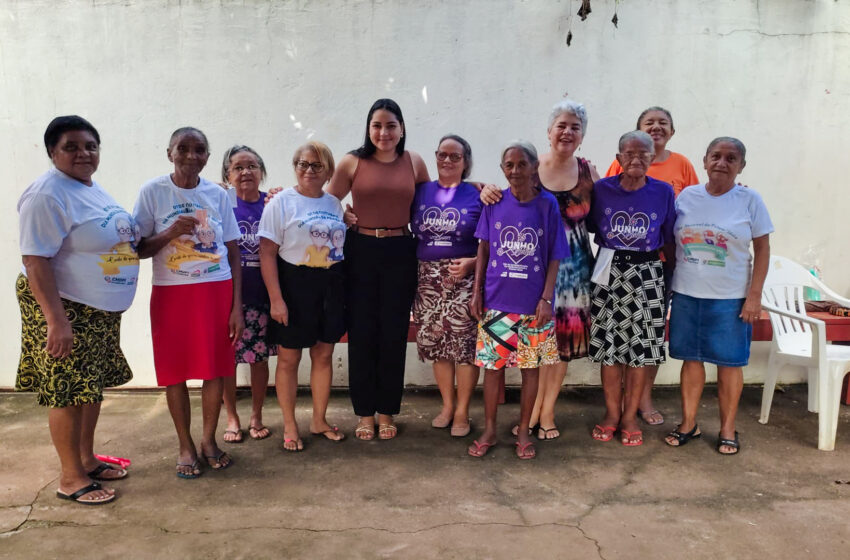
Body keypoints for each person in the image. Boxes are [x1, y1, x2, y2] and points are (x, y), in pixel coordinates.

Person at [16, 115, 138, 505]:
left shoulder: (89, 187)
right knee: (67, 391)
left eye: (90, 146)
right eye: (71, 146)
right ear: (52, 152)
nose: (83, 153)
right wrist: (56, 320)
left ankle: (85, 459)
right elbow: (35, 260)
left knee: (89, 388)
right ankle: (70, 478)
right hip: (65, 306)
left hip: (96, 309)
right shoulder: (47, 194)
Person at [134, 127, 243, 478]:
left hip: (215, 290)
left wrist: (236, 305)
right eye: (183, 149)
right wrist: (170, 232)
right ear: (170, 153)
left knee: (216, 369)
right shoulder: (153, 192)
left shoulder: (218, 194)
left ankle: (209, 441)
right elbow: (137, 249)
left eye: (199, 150)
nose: (191, 156)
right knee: (174, 372)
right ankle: (185, 445)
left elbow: (233, 251)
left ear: (208, 158)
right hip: (171, 292)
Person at [326, 99, 429, 441]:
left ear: (401, 128)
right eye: (377, 125)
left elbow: (436, 199)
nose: (383, 133)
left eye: (390, 125)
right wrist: (340, 213)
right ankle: (364, 413)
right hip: (361, 250)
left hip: (401, 250)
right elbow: (324, 202)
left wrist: (475, 189)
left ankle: (387, 411)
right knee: (362, 332)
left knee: (394, 332)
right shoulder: (352, 161)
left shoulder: (413, 161)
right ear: (368, 129)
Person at [665, 137, 772, 455]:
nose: (722, 163)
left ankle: (727, 428)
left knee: (729, 364)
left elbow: (763, 249)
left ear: (741, 166)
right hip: (687, 293)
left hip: (730, 298)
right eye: (716, 156)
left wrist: (754, 296)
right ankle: (689, 424)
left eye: (731, 158)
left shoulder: (750, 200)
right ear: (705, 160)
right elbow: (671, 240)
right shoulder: (687, 196)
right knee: (691, 360)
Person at [468, 141, 569, 459]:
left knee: (530, 370)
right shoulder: (494, 203)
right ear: (502, 169)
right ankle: (489, 430)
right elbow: (483, 249)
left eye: (521, 164)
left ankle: (524, 432)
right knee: (493, 369)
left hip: (532, 306)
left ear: (534, 166)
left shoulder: (547, 205)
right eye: (508, 165)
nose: (514, 171)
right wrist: (477, 292)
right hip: (496, 302)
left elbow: (554, 254)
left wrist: (546, 299)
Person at [605, 107, 700, 426]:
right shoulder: (615, 173)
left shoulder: (681, 166)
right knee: (615, 337)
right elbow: (600, 207)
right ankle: (614, 406)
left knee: (647, 337)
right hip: (615, 267)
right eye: (650, 123)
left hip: (659, 264)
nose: (657, 127)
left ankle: (643, 399)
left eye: (663, 123)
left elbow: (696, 203)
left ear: (672, 131)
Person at [587, 131, 676, 447]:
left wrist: (670, 282)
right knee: (610, 350)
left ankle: (629, 416)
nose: (636, 160)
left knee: (639, 351)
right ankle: (611, 415)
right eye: (629, 154)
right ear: (619, 157)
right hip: (610, 270)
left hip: (649, 273)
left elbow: (669, 238)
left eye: (644, 154)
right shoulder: (601, 190)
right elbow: (592, 226)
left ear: (653, 157)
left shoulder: (664, 192)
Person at [259, 141, 347, 451]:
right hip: (294, 284)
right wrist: (276, 299)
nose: (308, 170)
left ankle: (319, 420)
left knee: (324, 354)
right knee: (289, 358)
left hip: (331, 284)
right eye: (302, 164)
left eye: (316, 165)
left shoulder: (334, 204)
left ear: (328, 171)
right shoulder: (280, 203)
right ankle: (290, 424)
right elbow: (267, 253)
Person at [410, 135, 482, 437]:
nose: (447, 161)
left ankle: (464, 411)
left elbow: (492, 241)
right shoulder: (421, 191)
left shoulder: (478, 194)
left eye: (455, 156)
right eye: (442, 155)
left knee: (465, 349)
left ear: (465, 162)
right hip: (428, 279)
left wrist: (471, 263)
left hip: (463, 278)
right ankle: (447, 406)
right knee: (438, 346)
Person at [219, 146, 277, 444]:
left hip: (263, 294)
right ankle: (231, 417)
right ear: (227, 174)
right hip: (227, 296)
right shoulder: (221, 202)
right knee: (226, 359)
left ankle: (256, 415)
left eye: (252, 166)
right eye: (238, 167)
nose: (245, 172)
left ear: (261, 171)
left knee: (259, 359)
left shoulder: (273, 203)